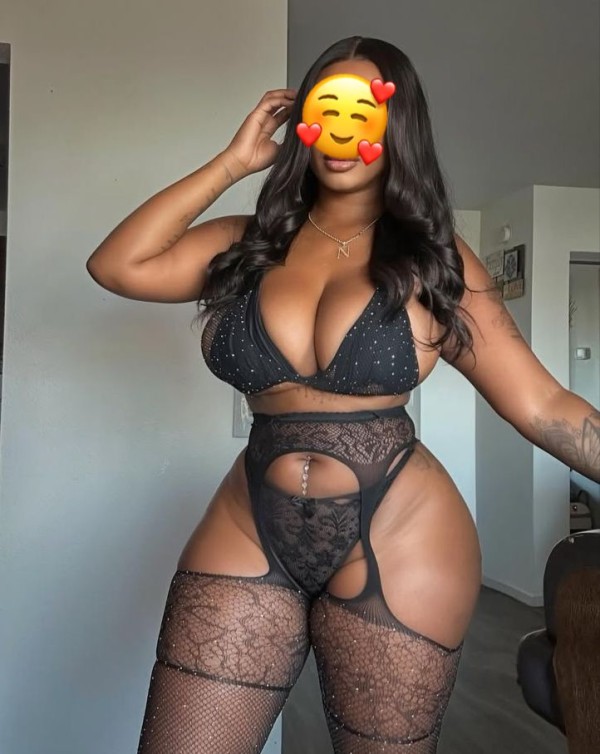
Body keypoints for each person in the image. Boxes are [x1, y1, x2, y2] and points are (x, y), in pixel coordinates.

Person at [87, 36, 600, 754]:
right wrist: (233, 163)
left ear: (397, 126)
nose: (341, 131)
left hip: (401, 529)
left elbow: (544, 407)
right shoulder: (248, 243)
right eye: (326, 109)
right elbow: (118, 265)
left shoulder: (434, 259)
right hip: (250, 524)